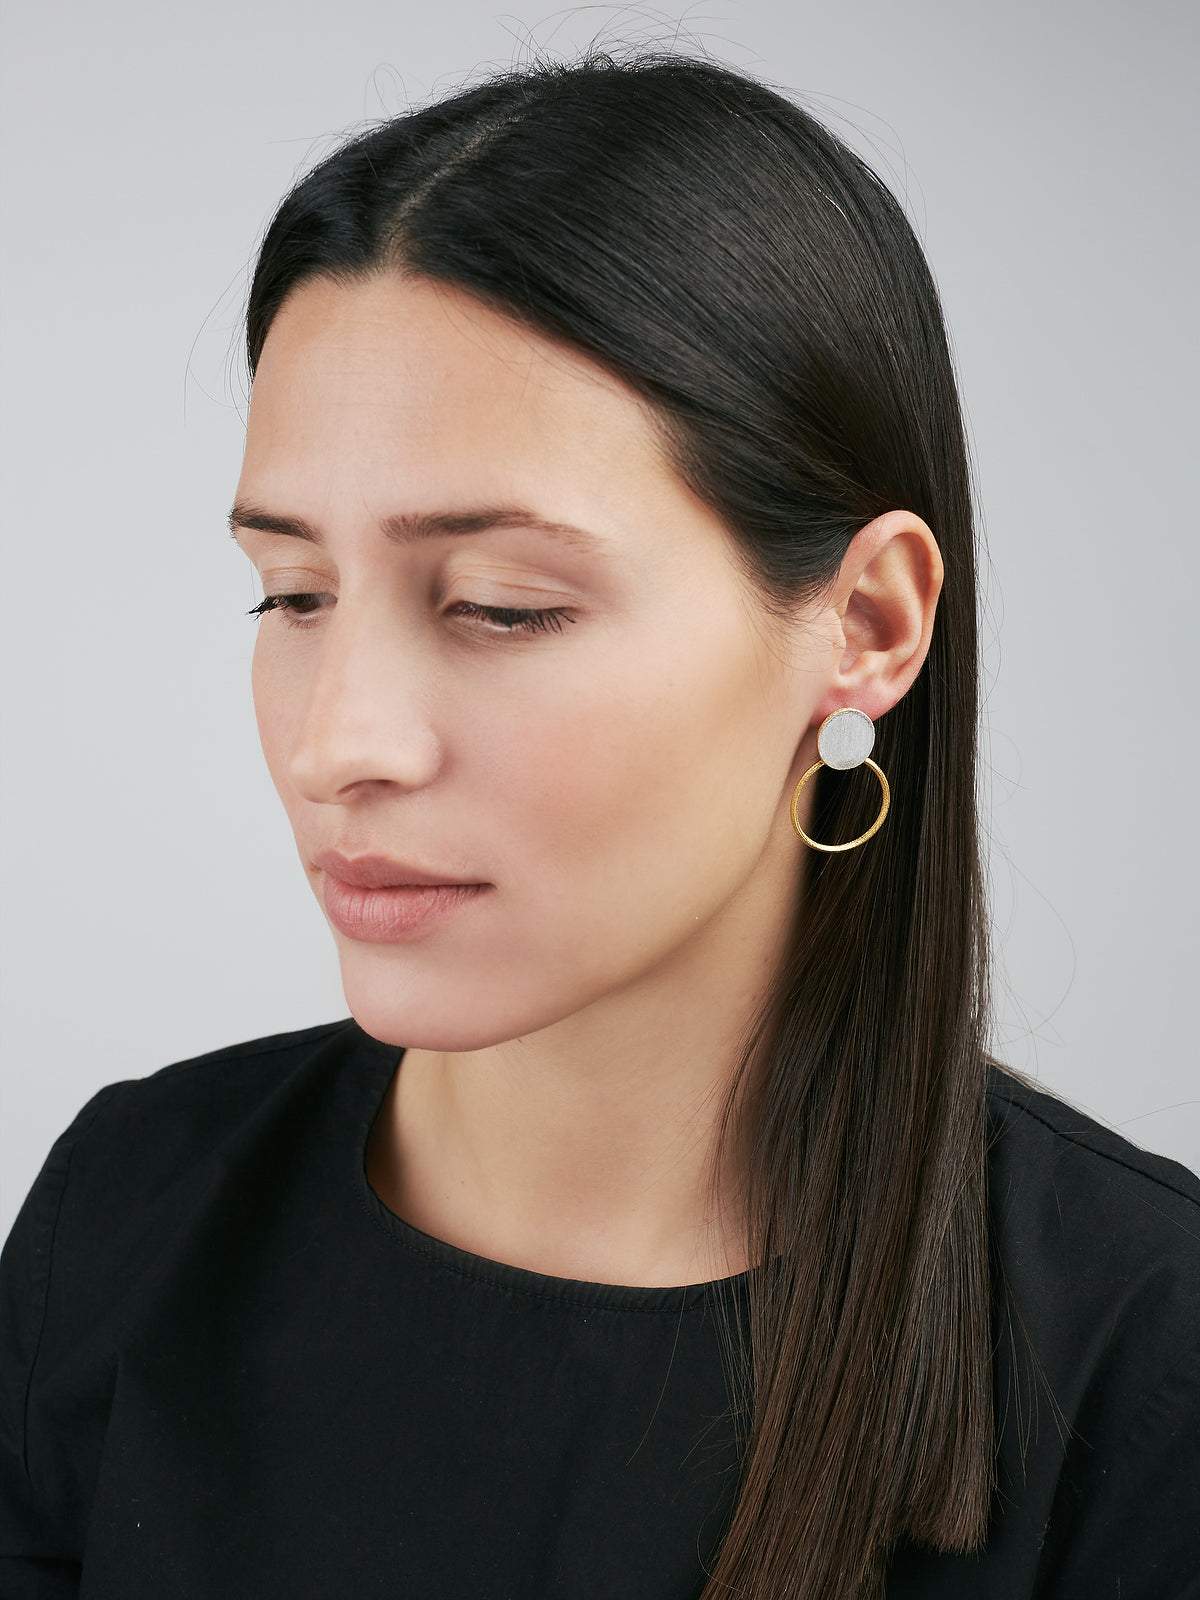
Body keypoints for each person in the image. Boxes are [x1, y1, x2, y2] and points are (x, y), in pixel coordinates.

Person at [2, 47, 1198, 1600]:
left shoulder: (1143, 1357)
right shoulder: (128, 1209)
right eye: (291, 594)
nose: (338, 743)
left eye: (504, 607)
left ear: (867, 625)